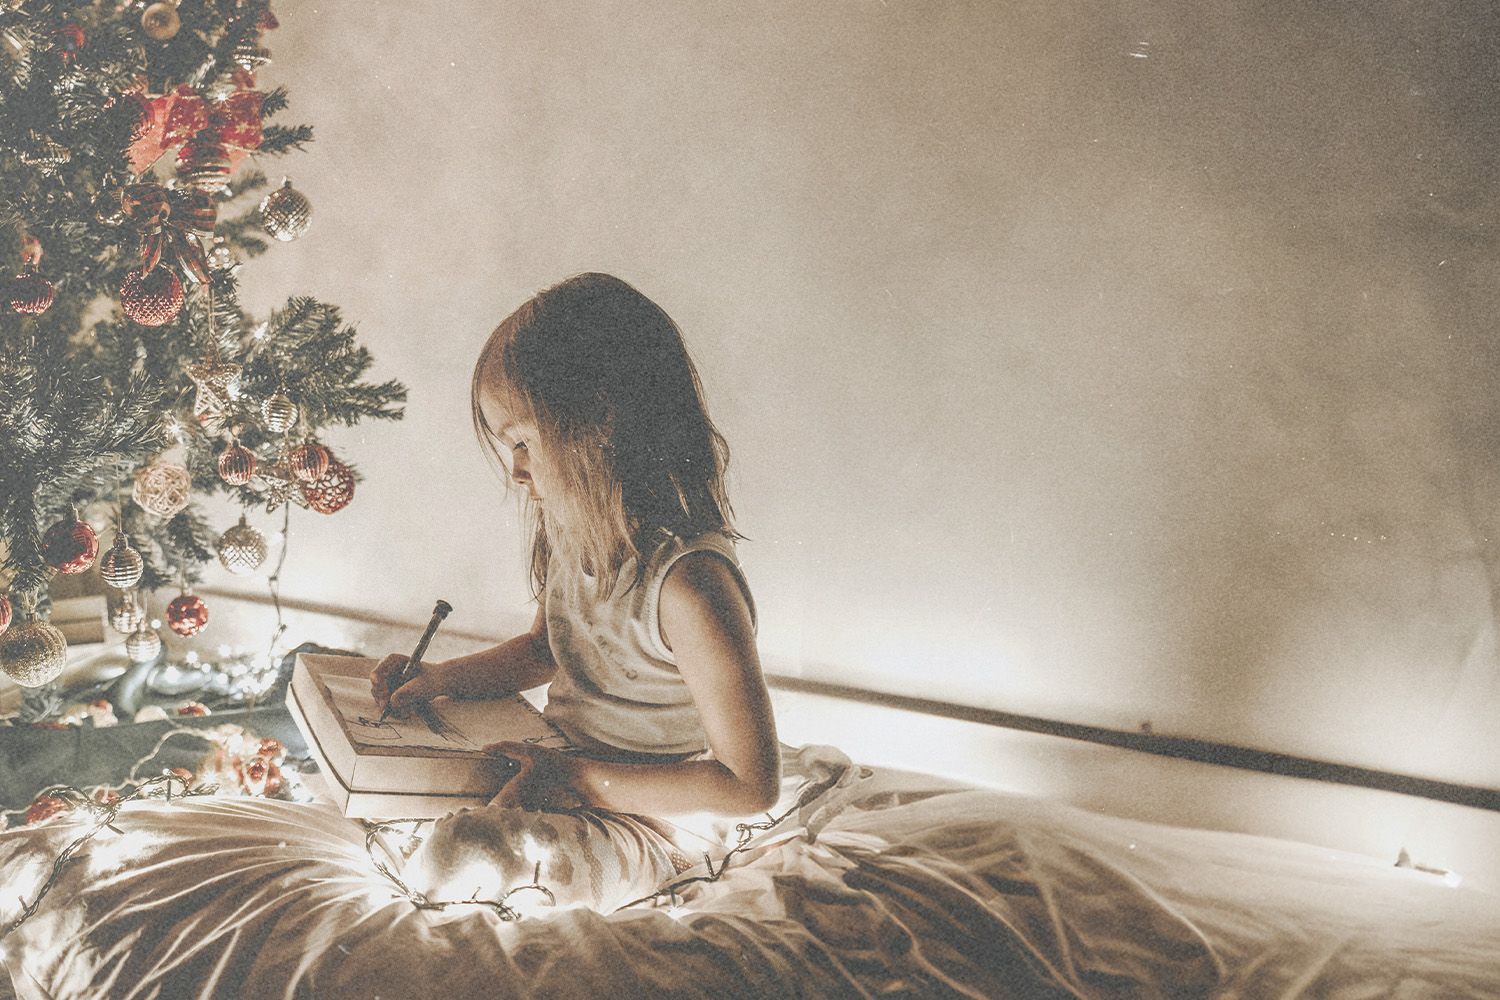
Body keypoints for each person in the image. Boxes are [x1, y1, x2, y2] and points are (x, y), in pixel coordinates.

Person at [370, 272, 780, 830]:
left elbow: (749, 786)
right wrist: (442, 679)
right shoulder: (573, 539)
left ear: (601, 423)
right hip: (559, 770)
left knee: (464, 855)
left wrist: (577, 779)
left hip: (648, 809)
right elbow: (544, 651)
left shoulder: (690, 586)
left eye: (523, 442)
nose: (515, 469)